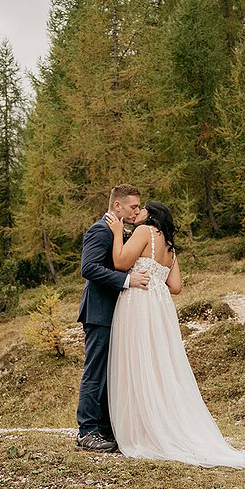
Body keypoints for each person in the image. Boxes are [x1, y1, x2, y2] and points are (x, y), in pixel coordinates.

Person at [104, 200, 245, 469]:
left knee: (139, 361)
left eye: (141, 210)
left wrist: (118, 233)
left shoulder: (144, 232)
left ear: (151, 215)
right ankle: (162, 423)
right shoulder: (170, 247)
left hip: (139, 303)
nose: (136, 214)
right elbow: (175, 286)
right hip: (161, 307)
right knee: (160, 363)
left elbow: (119, 262)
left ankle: (141, 429)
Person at [75, 184, 151, 453]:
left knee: (111, 373)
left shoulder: (121, 232)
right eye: (133, 207)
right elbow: (89, 268)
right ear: (117, 206)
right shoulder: (100, 230)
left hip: (116, 313)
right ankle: (86, 431)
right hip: (99, 312)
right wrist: (127, 280)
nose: (137, 211)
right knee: (95, 372)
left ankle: (106, 430)